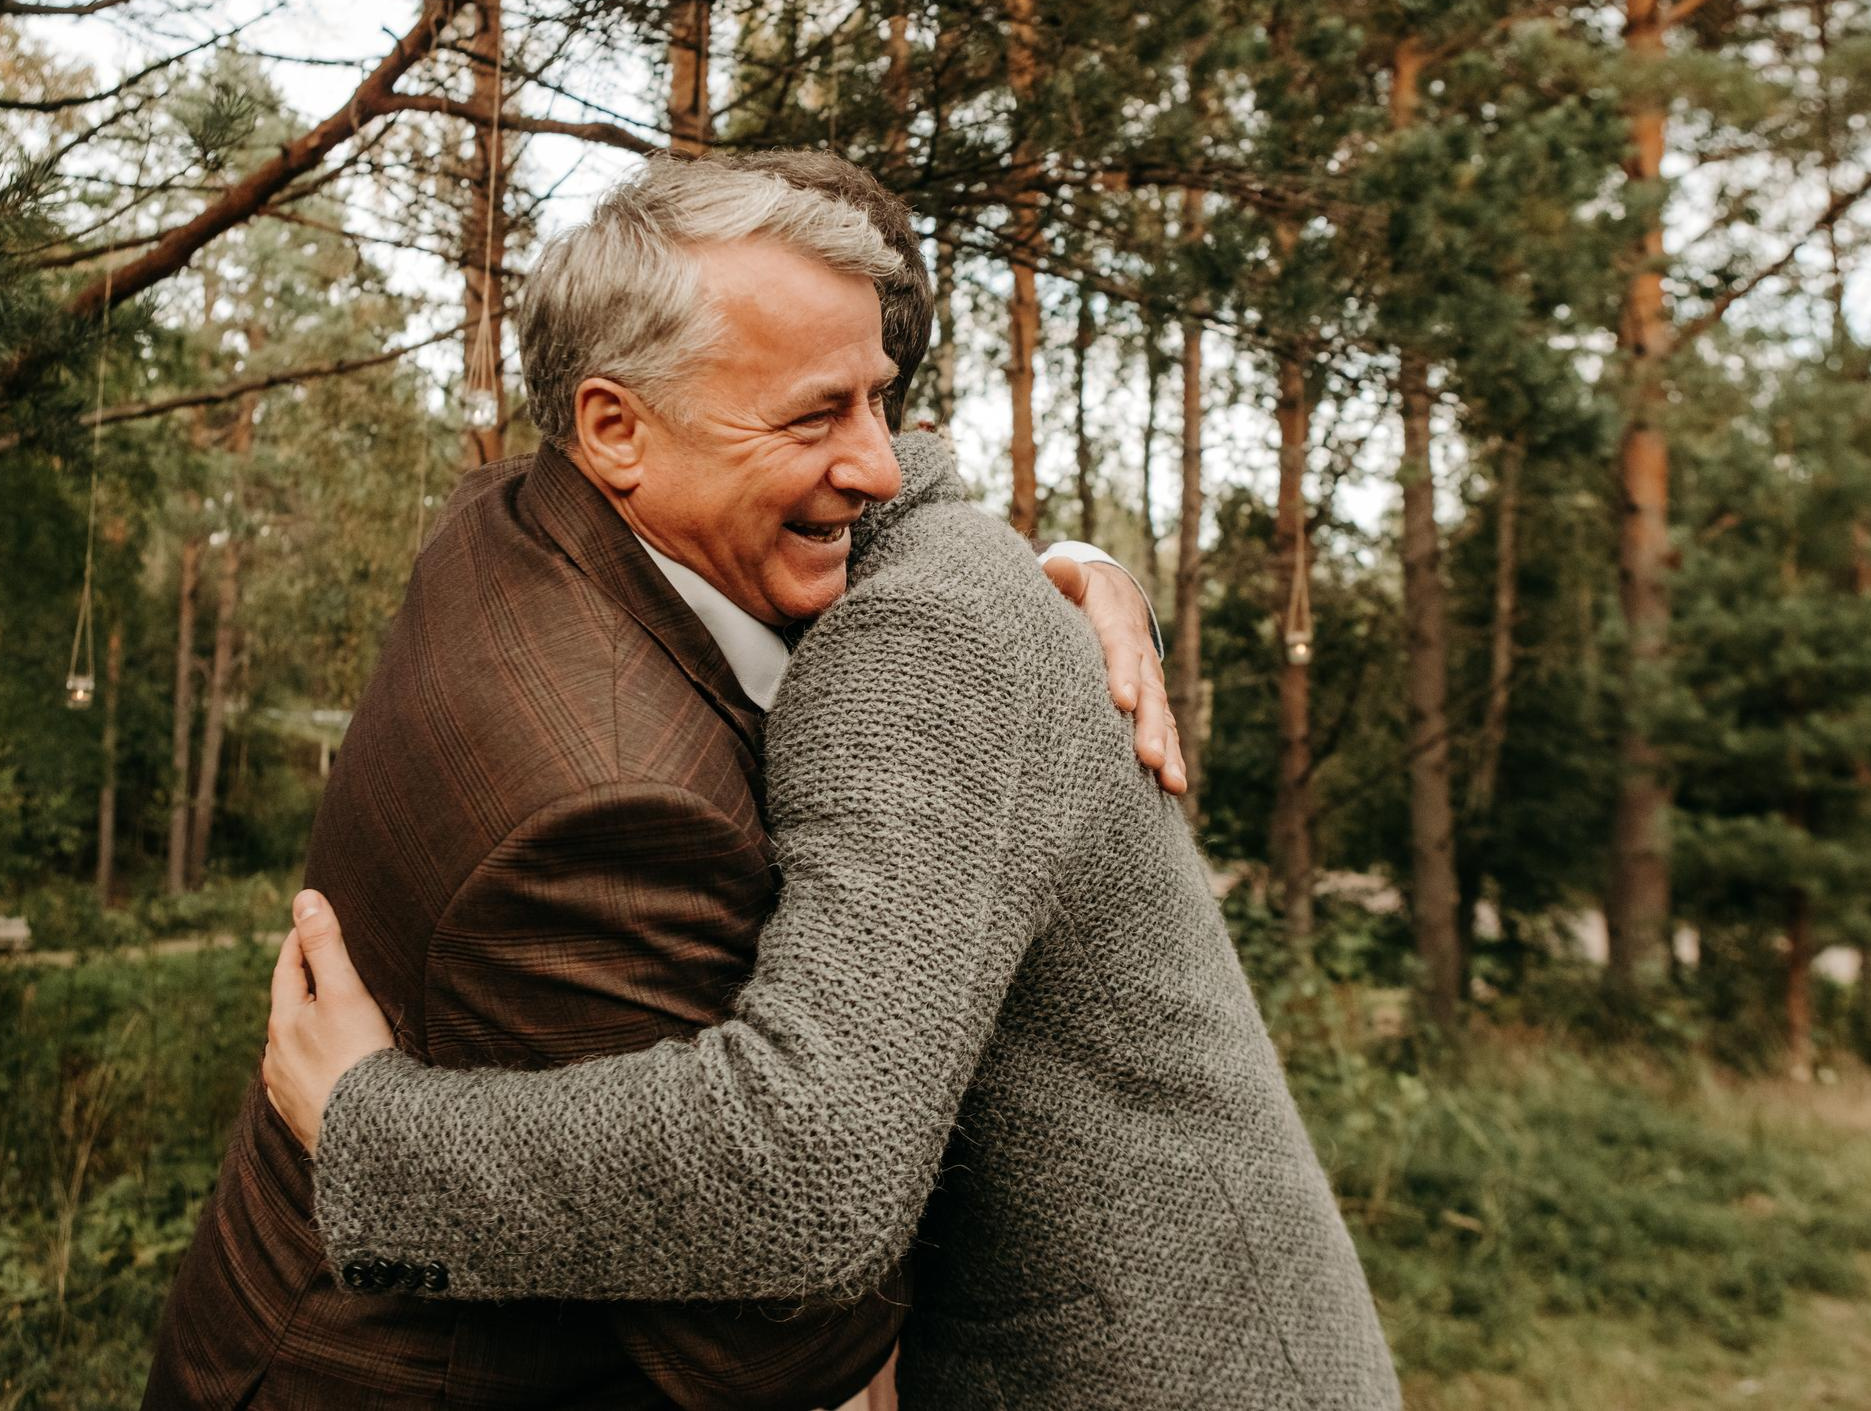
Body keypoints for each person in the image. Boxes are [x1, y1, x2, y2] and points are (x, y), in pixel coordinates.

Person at [257, 158, 1401, 1408]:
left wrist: (374, 1137)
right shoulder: (888, 585)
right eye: (813, 414)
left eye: (878, 403)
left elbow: (811, 1168)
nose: (882, 467)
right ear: (610, 427)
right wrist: (1065, 563)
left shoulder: (911, 642)